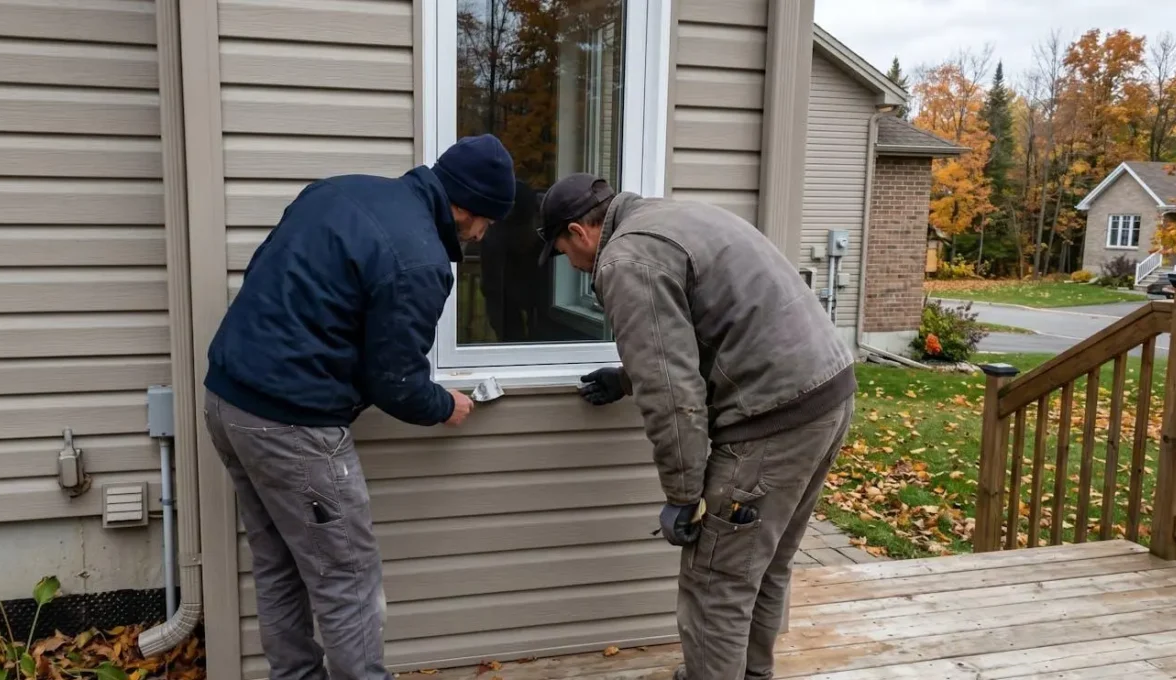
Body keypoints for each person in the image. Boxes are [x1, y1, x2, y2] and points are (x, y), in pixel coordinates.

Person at [203, 135, 516, 680]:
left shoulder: (339, 192)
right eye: (486, 222)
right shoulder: (419, 258)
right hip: (292, 425)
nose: (482, 235)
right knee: (348, 579)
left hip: (227, 401)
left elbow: (265, 274)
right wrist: (443, 404)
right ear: (465, 208)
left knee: (279, 564)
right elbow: (395, 382)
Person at [537, 173, 855, 680]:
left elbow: (671, 392)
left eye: (562, 252)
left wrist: (684, 496)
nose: (571, 265)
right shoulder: (673, 217)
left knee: (716, 581)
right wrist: (624, 379)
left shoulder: (625, 259)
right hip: (827, 397)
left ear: (579, 231)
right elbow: (698, 335)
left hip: (770, 419)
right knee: (763, 565)